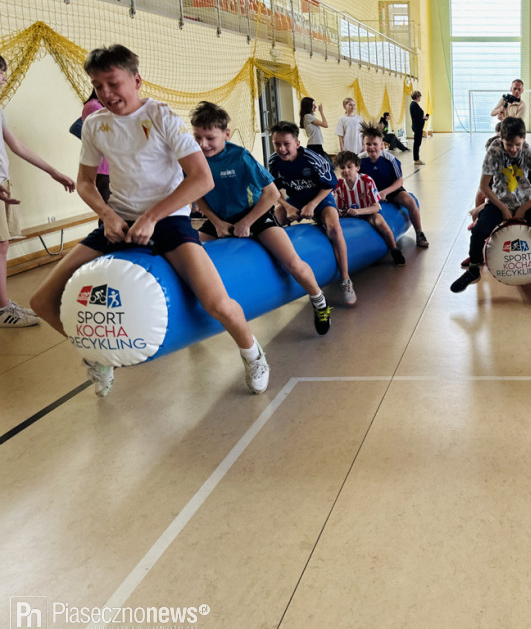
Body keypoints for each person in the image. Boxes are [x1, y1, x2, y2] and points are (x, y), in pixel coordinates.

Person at [29, 45, 269, 395]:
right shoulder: (94, 124)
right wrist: (108, 215)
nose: (106, 93)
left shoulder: (161, 116)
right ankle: (97, 356)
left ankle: (253, 353)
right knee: (41, 301)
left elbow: (202, 178)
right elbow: (85, 182)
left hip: (168, 220)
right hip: (119, 221)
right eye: (97, 86)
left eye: (113, 83)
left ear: (136, 80)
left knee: (216, 302)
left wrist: (153, 216)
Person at [191, 101, 331, 335]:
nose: (203, 144)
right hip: (220, 218)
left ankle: (319, 300)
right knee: (192, 258)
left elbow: (272, 194)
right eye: (197, 137)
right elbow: (197, 192)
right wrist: (216, 222)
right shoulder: (194, 158)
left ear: (226, 134)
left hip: (254, 215)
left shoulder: (240, 157)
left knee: (292, 263)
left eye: (210, 138)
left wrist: (246, 222)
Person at [450, 116, 531, 293]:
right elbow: (484, 186)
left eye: (518, 144)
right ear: (501, 138)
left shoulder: (528, 151)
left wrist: (524, 208)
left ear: (524, 139)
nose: (514, 149)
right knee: (478, 231)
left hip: (526, 202)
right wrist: (502, 208)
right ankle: (473, 269)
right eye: (509, 144)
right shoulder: (494, 151)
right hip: (500, 202)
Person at [1, 55, 77, 328]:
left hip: (3, 183)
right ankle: (2, 309)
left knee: (2, 244)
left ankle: (3, 303)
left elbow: (17, 146)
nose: (4, 78)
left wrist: (53, 172)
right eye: (1, 72)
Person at [268, 120, 357, 307]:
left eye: (286, 144)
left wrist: (312, 205)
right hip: (295, 200)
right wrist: (287, 207)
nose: (282, 149)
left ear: (297, 143)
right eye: (277, 144)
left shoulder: (313, 159)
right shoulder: (274, 162)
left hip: (321, 198)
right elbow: (273, 191)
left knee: (335, 230)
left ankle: (346, 279)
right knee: (270, 223)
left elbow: (330, 185)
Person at [357, 123, 429, 250]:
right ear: (364, 144)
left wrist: (385, 192)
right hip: (370, 193)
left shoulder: (390, 159)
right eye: (368, 144)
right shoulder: (359, 160)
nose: (372, 147)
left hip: (390, 189)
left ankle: (419, 233)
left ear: (382, 144)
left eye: (375, 144)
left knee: (411, 202)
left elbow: (399, 181)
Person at [333, 150, 406, 267]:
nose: (345, 170)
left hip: (369, 212)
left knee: (381, 223)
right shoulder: (338, 185)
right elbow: (340, 208)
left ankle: (394, 249)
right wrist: (341, 212)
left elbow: (376, 207)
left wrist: (358, 211)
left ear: (357, 167)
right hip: (351, 216)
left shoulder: (367, 180)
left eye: (349, 167)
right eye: (342, 167)